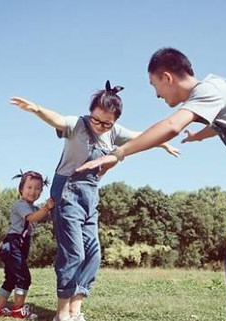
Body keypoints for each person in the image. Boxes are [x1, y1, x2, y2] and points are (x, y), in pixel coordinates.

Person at [76, 48, 226, 321]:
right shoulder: (218, 86)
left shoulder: (208, 91)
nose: (157, 95)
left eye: (155, 87)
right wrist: (200, 136)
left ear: (167, 77)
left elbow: (172, 125)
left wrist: (117, 153)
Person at [10, 81, 180, 321]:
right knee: (74, 254)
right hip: (67, 191)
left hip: (90, 196)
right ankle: (62, 313)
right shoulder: (78, 125)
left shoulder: (114, 132)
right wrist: (36, 109)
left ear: (114, 120)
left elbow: (141, 137)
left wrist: (162, 143)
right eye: (96, 120)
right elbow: (58, 119)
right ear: (90, 113)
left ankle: (76, 309)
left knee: (93, 254)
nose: (100, 126)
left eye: (106, 123)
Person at [0, 170, 55, 319]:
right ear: (21, 189)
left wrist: (53, 211)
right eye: (29, 187)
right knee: (24, 278)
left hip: (19, 245)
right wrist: (46, 208)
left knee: (11, 279)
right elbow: (32, 218)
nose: (33, 191)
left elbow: (45, 217)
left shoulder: (34, 208)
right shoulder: (20, 205)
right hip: (13, 244)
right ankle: (17, 309)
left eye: (37, 188)